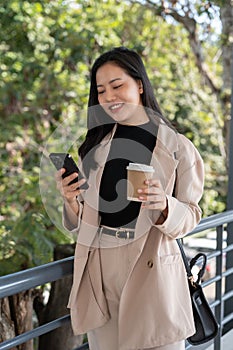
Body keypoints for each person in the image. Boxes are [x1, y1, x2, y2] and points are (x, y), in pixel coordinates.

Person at [55, 47, 204, 350]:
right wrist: (70, 200)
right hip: (100, 274)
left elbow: (190, 215)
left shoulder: (178, 148)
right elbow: (83, 220)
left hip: (154, 277)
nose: (109, 96)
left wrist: (164, 206)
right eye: (100, 90)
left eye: (117, 85)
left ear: (139, 84)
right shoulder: (94, 148)